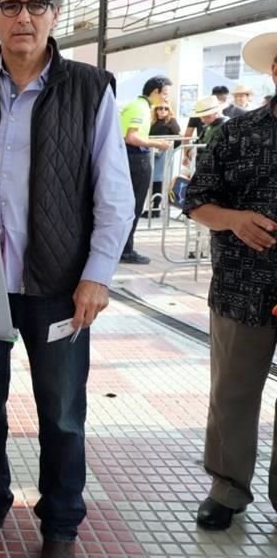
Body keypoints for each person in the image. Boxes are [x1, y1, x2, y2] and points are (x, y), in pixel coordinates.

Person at [0, 0, 134, 558]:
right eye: (10, 6)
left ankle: (60, 525)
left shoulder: (90, 88)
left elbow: (114, 193)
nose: (23, 17)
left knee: (62, 414)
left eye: (36, 5)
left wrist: (96, 275)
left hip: (59, 284)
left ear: (55, 14)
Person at [183, 30, 277, 532]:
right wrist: (236, 219)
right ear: (275, 71)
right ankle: (227, 487)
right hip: (243, 286)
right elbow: (195, 200)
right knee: (234, 392)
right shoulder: (238, 134)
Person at [119, 76, 173, 265]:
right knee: (133, 206)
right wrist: (157, 143)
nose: (167, 98)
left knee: (127, 206)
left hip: (128, 158)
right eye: (165, 93)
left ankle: (122, 248)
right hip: (135, 158)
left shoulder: (136, 105)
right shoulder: (140, 107)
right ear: (155, 91)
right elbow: (131, 137)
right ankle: (125, 250)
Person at [149, 102, 181, 206]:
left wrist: (168, 148)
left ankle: (156, 205)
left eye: (166, 109)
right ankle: (152, 205)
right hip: (152, 151)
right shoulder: (152, 121)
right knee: (152, 178)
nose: (163, 110)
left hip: (163, 153)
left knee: (158, 178)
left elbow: (178, 138)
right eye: (160, 108)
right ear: (156, 110)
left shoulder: (171, 121)